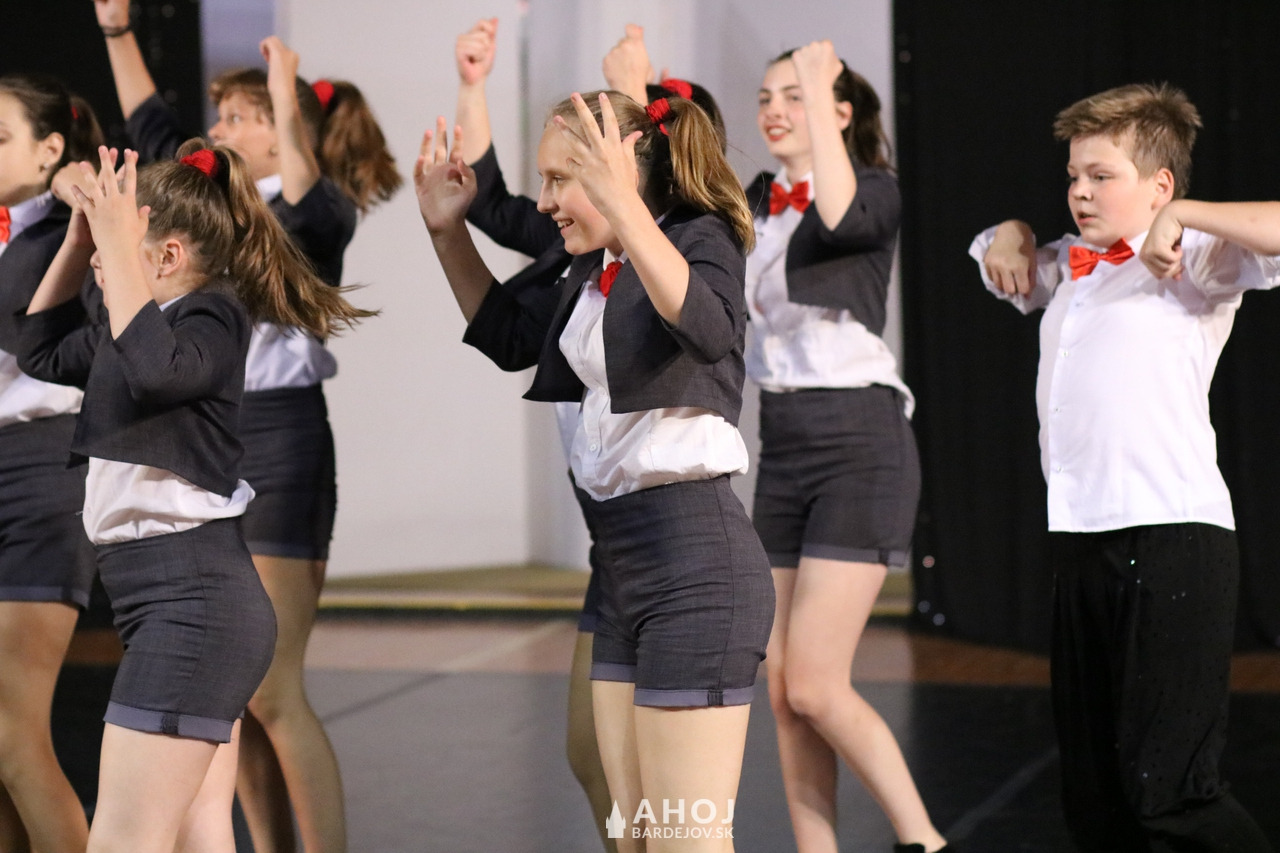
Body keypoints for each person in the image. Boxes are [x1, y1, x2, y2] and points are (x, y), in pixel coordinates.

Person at [416, 86, 773, 851]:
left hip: (693, 560)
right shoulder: (588, 265)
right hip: (619, 561)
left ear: (619, 170)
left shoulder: (699, 235)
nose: (544, 202)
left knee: (685, 839)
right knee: (632, 831)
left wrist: (626, 210)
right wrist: (448, 234)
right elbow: (510, 337)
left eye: (560, 179)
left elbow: (708, 327)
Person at [93, 2, 401, 848]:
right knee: (232, 701)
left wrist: (284, 91)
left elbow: (309, 201)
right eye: (221, 114)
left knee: (272, 688)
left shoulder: (301, 215)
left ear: (284, 133)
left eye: (241, 117)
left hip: (282, 435)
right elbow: (151, 125)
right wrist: (118, 32)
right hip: (211, 431)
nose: (220, 128)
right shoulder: (207, 207)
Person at [17, 139, 370, 853]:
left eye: (114, 250)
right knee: (199, 836)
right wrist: (84, 238)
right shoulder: (129, 329)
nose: (99, 266)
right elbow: (39, 348)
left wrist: (119, 253)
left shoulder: (211, 315)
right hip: (165, 602)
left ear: (169, 255)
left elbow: (158, 372)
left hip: (193, 602)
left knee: (123, 839)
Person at [971, 82, 1280, 852]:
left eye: (1101, 175)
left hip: (1173, 535)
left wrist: (1184, 217)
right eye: (1073, 175)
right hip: (1081, 541)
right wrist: (1010, 230)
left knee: (1171, 793)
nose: (1079, 190)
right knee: (1096, 798)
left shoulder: (1194, 255)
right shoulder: (1070, 266)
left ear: (1159, 184)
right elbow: (1001, 250)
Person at [745, 42, 947, 853]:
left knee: (818, 684)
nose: (774, 109)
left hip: (859, 439)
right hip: (781, 441)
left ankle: (924, 840)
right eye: (767, 96)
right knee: (783, 691)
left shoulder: (872, 189)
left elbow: (838, 219)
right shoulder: (754, 201)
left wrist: (824, 93)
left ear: (839, 114)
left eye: (796, 95)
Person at [0, 70, 102, 853]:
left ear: (50, 149)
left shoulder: (69, 228)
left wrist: (78, 193)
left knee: (12, 730)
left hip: (41, 473)